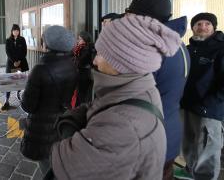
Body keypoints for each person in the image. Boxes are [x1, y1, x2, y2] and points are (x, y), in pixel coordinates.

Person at [51, 14, 181, 180]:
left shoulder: (125, 126)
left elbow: (68, 164)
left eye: (101, 54)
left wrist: (66, 127)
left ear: (123, 62)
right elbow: (101, 106)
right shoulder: (139, 87)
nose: (95, 61)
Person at [126, 0, 191, 180]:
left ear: (143, 17)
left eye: (129, 13)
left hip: (147, 137)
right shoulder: (178, 43)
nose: (126, 19)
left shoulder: (150, 49)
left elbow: (129, 97)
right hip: (170, 131)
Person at [20, 25, 78, 175]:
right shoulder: (72, 65)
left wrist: (20, 97)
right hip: (62, 121)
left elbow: (28, 105)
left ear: (48, 44)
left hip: (42, 126)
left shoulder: (40, 69)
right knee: (57, 159)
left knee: (46, 164)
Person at [180, 12, 224, 180]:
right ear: (192, 28)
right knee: (189, 145)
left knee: (207, 149)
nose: (202, 27)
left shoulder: (220, 48)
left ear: (214, 27)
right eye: (198, 24)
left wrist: (210, 102)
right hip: (187, 106)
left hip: (209, 110)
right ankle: (190, 173)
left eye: (207, 23)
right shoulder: (188, 49)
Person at [1, 24, 29, 111]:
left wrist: (19, 61)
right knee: (9, 82)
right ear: (12, 31)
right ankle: (6, 100)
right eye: (14, 30)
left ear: (19, 31)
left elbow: (24, 51)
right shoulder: (8, 40)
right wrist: (14, 61)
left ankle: (19, 95)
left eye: (17, 30)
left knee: (20, 81)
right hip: (11, 64)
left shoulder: (22, 39)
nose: (16, 32)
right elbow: (8, 52)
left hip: (21, 63)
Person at [72, 31, 94, 106]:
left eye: (80, 39)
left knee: (82, 94)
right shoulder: (80, 48)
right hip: (83, 73)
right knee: (82, 94)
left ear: (85, 40)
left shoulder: (86, 49)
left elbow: (80, 62)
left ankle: (81, 110)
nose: (78, 41)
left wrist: (75, 60)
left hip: (84, 74)